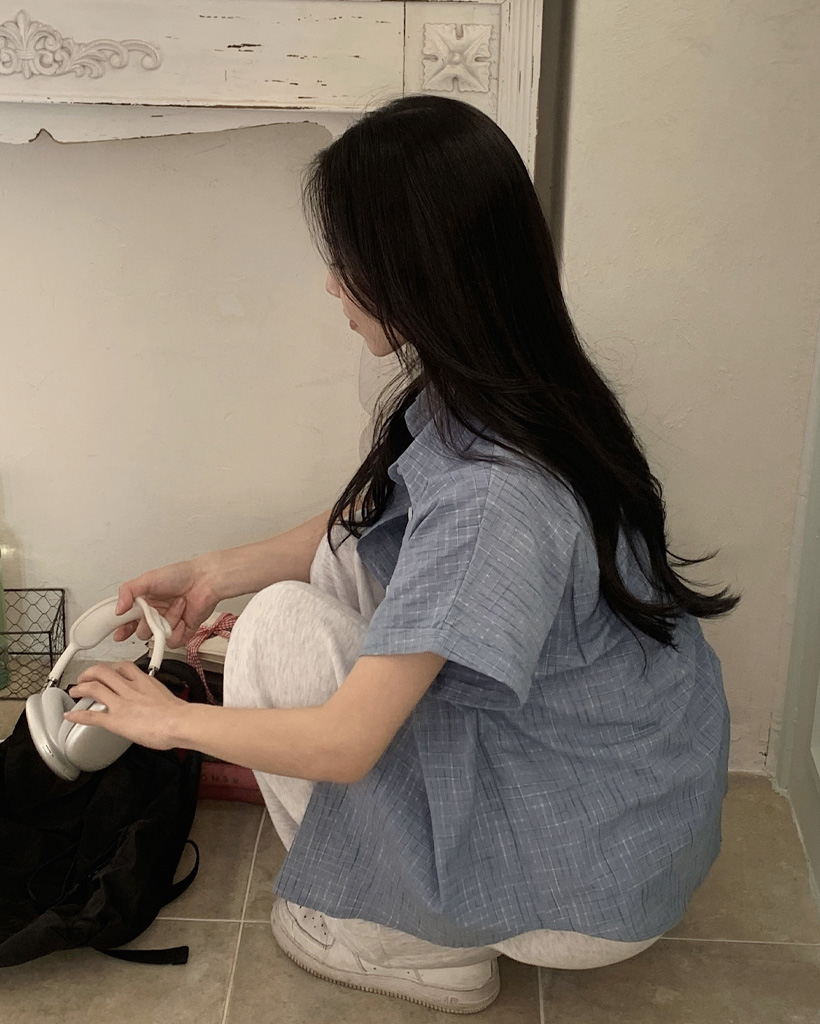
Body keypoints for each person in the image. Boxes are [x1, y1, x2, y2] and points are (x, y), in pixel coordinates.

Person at [63, 95, 739, 1014]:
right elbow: (372, 515)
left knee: (279, 633)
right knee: (333, 570)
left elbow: (345, 745)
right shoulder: (515, 384)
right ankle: (423, 904)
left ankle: (416, 949)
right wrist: (217, 571)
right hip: (627, 809)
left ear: (415, 269)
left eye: (348, 261)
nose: (331, 286)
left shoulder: (495, 497)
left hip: (583, 879)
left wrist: (168, 720)